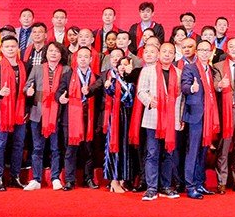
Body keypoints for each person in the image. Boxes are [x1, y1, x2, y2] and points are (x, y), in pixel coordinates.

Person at [136, 43, 184, 200]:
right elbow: (141, 91)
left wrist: (181, 118)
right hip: (153, 118)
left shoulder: (179, 73)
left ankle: (165, 186)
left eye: (171, 52)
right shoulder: (148, 70)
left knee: (168, 154)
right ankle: (151, 188)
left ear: (175, 55)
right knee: (152, 153)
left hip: (172, 120)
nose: (167, 54)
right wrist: (149, 101)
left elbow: (181, 98)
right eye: (164, 51)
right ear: (159, 54)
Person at [23, 42, 69, 191]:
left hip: (57, 113)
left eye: (56, 51)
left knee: (56, 148)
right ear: (46, 53)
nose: (53, 53)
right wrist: (28, 91)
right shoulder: (37, 68)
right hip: (38, 113)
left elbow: (69, 89)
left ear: (61, 54)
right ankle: (36, 179)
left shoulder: (66, 70)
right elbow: (27, 86)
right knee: (37, 148)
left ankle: (55, 178)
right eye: (50, 51)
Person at [181, 39, 222, 199]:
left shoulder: (210, 69)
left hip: (209, 116)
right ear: (196, 52)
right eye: (202, 50)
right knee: (193, 152)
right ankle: (190, 186)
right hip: (195, 116)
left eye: (207, 50)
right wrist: (192, 88)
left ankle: (199, 183)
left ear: (211, 52)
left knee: (203, 152)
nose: (205, 53)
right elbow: (184, 86)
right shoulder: (190, 68)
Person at [0, 36, 30, 191]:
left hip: (20, 112)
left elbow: (29, 89)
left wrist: (27, 107)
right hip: (1, 112)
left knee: (18, 145)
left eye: (13, 46)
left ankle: (15, 176)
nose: (10, 49)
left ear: (18, 48)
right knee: (0, 144)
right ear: (2, 49)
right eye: (7, 47)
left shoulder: (25, 66)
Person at [63, 47, 103, 190]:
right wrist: (60, 98)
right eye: (80, 57)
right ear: (76, 59)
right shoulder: (68, 75)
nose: (83, 59)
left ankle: (88, 178)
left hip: (90, 119)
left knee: (89, 150)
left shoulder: (97, 78)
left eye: (86, 57)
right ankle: (69, 180)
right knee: (70, 150)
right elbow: (60, 92)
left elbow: (100, 101)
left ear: (91, 59)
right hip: (72, 118)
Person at [214, 37, 235, 193]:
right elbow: (214, 84)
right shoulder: (218, 66)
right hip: (226, 112)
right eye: (231, 46)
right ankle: (221, 181)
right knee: (224, 147)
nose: (234, 49)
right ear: (227, 49)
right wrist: (220, 85)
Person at [102, 48, 136, 193]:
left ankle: (123, 179)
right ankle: (113, 180)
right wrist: (108, 87)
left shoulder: (132, 80)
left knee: (126, 148)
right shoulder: (113, 80)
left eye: (125, 64)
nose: (122, 66)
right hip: (116, 116)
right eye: (120, 64)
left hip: (129, 116)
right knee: (114, 147)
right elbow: (110, 93)